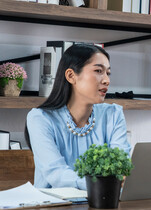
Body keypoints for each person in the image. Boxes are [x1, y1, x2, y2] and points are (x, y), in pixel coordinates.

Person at [26, 44, 130, 190]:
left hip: (104, 203)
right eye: (98, 71)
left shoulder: (113, 114)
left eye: (108, 73)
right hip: (54, 208)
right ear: (71, 76)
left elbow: (121, 166)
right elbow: (56, 174)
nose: (107, 80)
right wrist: (100, 183)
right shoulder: (40, 118)